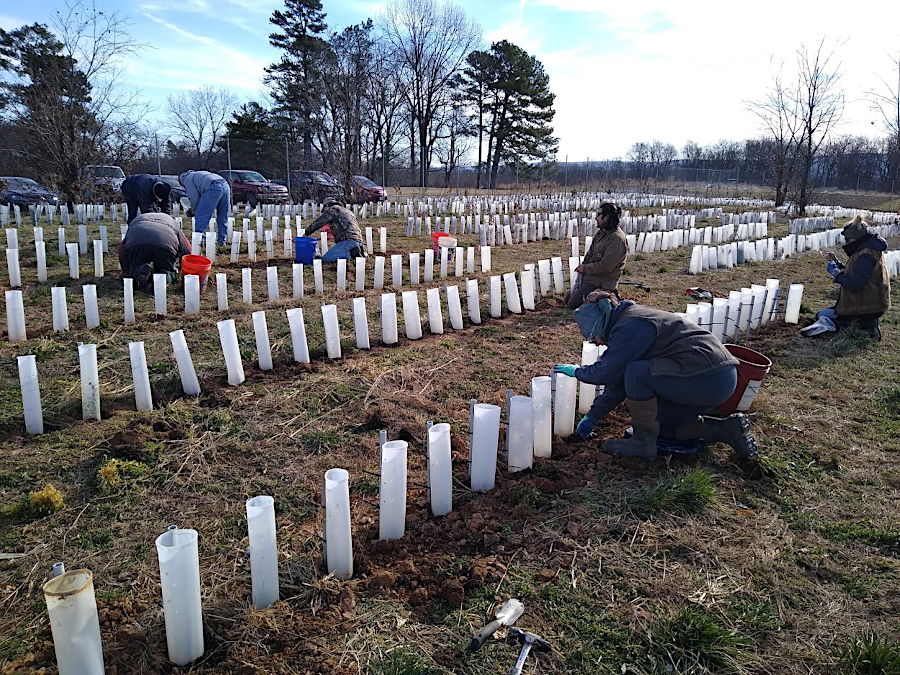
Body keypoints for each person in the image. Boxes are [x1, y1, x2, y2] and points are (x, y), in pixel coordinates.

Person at [552, 291, 758, 460]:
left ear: (601, 320)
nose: (596, 342)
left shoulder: (630, 326)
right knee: (661, 426)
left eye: (592, 335)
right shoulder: (629, 321)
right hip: (716, 378)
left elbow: (607, 372)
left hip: (707, 377)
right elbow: (619, 383)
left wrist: (577, 372)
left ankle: (642, 444)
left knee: (637, 373)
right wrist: (592, 417)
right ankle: (724, 430)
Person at [818, 216, 890, 340]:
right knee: (824, 314)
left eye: (848, 240)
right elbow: (856, 273)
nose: (846, 243)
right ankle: (868, 325)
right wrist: (836, 262)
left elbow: (855, 285)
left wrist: (836, 274)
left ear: (857, 239)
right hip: (869, 303)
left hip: (866, 307)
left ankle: (861, 329)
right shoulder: (867, 250)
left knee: (821, 316)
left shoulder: (865, 255)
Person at [565, 203, 627, 310]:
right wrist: (583, 266)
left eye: (599, 214)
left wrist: (585, 268)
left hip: (602, 281)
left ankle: (609, 295)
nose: (596, 217)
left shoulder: (617, 239)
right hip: (591, 278)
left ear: (606, 217)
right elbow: (590, 253)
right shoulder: (601, 233)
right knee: (568, 300)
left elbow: (606, 266)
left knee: (572, 304)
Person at [117, 212, 191, 291]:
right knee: (166, 268)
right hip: (165, 243)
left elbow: (121, 249)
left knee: (137, 264)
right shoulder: (172, 222)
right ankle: (164, 276)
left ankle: (139, 271)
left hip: (137, 243)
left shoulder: (136, 220)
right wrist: (183, 268)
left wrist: (127, 270)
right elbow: (187, 249)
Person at [304, 197, 366, 262]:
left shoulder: (332, 210)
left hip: (347, 240)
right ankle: (360, 251)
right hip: (358, 240)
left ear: (327, 205)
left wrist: (307, 233)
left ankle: (351, 254)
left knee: (326, 259)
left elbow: (319, 222)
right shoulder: (347, 211)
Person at [178, 170, 231, 246]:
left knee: (201, 216)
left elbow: (194, 199)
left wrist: (193, 211)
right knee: (223, 216)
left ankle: (199, 242)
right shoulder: (197, 174)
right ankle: (222, 242)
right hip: (225, 185)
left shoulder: (187, 180)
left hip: (213, 187)